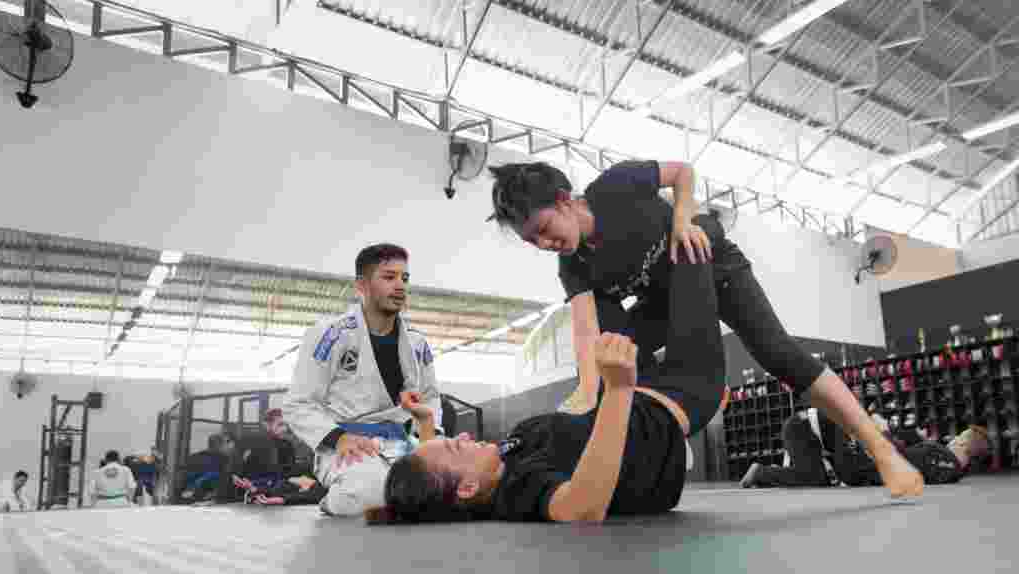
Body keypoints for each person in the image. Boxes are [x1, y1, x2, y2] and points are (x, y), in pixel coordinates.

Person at [486, 159, 923, 499]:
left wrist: (681, 219)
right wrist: (586, 389)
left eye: (543, 229)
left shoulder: (615, 186)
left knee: (778, 353)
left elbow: (681, 173)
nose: (545, 244)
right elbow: (586, 330)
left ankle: (880, 451)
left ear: (564, 200)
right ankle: (665, 421)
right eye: (533, 242)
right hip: (667, 302)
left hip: (713, 264)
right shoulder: (573, 265)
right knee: (613, 347)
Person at [364, 239, 727, 524]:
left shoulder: (496, 464)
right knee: (693, 248)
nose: (460, 438)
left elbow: (437, 467)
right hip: (676, 399)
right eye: (456, 447)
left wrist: (427, 425)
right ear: (469, 487)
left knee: (597, 295)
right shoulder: (521, 488)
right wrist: (618, 390)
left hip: (631, 386)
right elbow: (582, 509)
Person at [282, 243, 446, 517]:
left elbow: (430, 399)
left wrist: (431, 440)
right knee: (369, 491)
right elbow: (299, 404)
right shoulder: (331, 335)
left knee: (451, 487)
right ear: (362, 285)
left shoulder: (417, 343)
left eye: (404, 278)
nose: (400, 286)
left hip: (405, 444)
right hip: (347, 447)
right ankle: (332, 497)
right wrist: (340, 437)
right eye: (388, 277)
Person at [741, 414, 993, 488]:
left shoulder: (947, 461)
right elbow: (908, 461)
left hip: (818, 430)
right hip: (808, 427)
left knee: (817, 478)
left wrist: (885, 434)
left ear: (963, 444)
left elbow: (908, 461)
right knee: (848, 472)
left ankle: (762, 474)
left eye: (958, 437)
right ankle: (761, 473)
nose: (953, 439)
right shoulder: (948, 464)